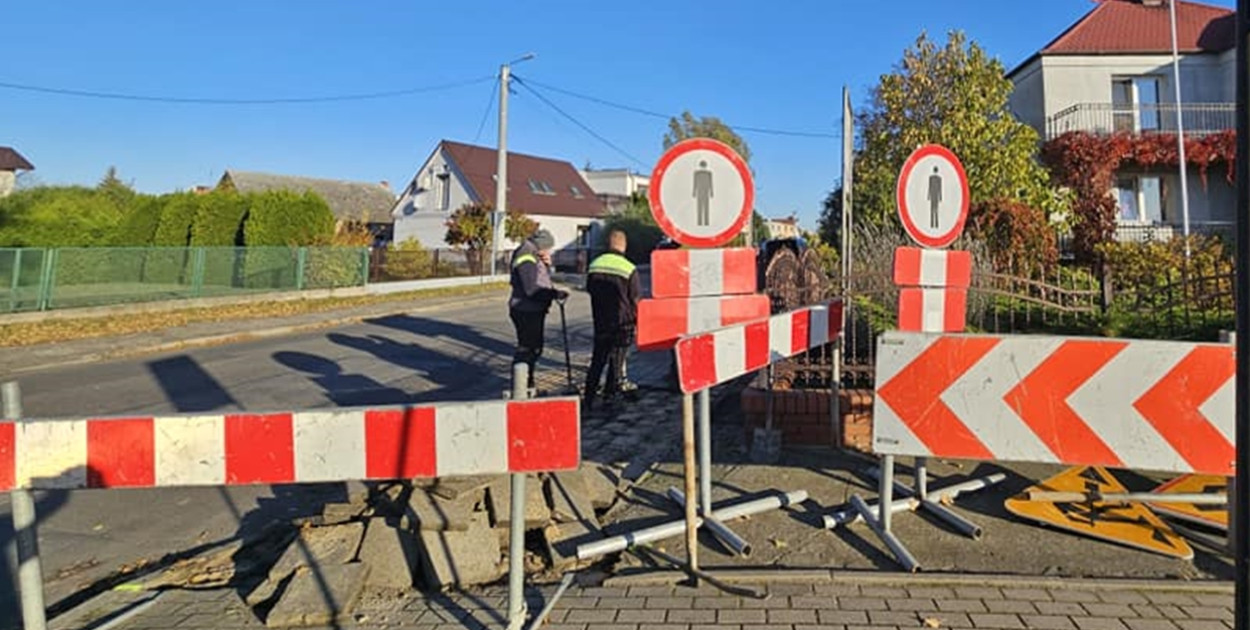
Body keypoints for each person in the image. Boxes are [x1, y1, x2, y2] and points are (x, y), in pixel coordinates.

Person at [584, 229, 641, 409]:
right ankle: (610, 396)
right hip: (623, 323)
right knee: (616, 361)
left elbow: (590, 289)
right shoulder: (629, 268)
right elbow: (635, 298)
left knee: (597, 361)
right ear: (624, 246)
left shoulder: (594, 264)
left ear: (608, 244)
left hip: (600, 321)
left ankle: (589, 398)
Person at [509, 228, 567, 390]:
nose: (549, 251)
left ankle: (526, 384)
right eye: (548, 248)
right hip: (526, 310)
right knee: (528, 349)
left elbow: (541, 278)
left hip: (532, 309)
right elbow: (532, 289)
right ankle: (522, 387)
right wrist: (554, 294)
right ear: (541, 245)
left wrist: (547, 265)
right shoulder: (526, 257)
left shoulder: (533, 254)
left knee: (533, 349)